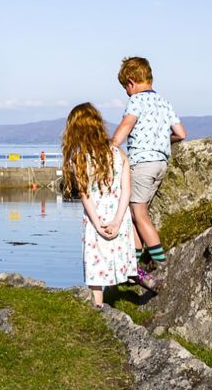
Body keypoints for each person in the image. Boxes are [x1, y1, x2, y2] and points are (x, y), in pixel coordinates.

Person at [110, 56, 186, 288]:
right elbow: (181, 133)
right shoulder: (164, 102)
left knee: (140, 215)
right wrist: (162, 140)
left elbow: (126, 126)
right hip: (160, 163)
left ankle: (162, 265)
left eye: (125, 88)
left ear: (131, 82)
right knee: (134, 214)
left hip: (142, 164)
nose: (126, 92)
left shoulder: (136, 102)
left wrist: (112, 146)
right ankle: (133, 267)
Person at [63, 102, 136, 307]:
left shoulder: (79, 159)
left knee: (97, 274)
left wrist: (97, 223)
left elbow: (85, 196)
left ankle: (98, 308)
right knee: (117, 263)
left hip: (97, 220)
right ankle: (132, 288)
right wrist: (118, 221)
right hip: (119, 219)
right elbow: (126, 191)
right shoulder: (119, 154)